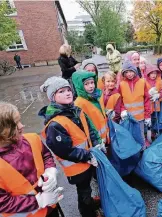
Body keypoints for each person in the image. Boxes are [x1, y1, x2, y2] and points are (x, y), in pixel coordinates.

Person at [39, 76, 102, 217]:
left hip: (88, 159)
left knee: (87, 189)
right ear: (52, 97)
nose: (67, 93)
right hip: (77, 167)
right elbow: (64, 151)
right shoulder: (55, 124)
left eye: (68, 90)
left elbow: (89, 130)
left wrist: (97, 144)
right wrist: (87, 156)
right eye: (61, 91)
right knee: (84, 191)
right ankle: (88, 213)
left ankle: (90, 202)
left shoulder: (75, 110)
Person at [0, 102, 63, 216]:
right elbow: (2, 202)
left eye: (20, 120)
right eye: (15, 124)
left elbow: (46, 156)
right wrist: (38, 201)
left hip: (51, 206)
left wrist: (51, 171)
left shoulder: (32, 139)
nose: (21, 126)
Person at [72, 70, 109, 147]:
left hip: (106, 136)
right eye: (86, 84)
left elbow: (99, 112)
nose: (91, 86)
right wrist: (96, 142)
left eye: (92, 83)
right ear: (80, 86)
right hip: (96, 141)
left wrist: (106, 112)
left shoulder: (97, 96)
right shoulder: (79, 103)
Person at [119, 61, 151, 148]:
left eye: (131, 71)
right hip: (127, 118)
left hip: (140, 118)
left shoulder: (142, 82)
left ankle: (143, 152)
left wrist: (147, 116)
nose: (129, 74)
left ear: (135, 71)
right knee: (130, 137)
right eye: (126, 72)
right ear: (123, 73)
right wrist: (122, 110)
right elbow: (120, 100)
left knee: (140, 137)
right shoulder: (121, 84)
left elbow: (147, 100)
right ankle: (134, 155)